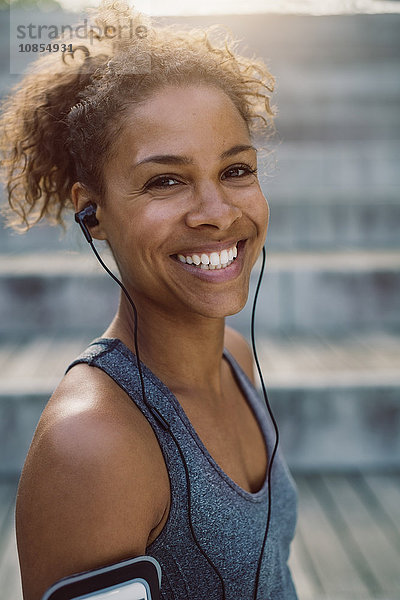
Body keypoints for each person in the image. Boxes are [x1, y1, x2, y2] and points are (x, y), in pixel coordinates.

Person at [0, 2, 298, 599]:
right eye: (165, 180)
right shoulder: (93, 446)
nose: (217, 213)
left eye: (236, 170)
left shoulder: (234, 359)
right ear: (94, 214)